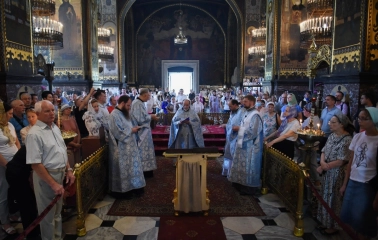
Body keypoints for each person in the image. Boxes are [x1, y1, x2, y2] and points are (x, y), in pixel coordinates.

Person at [26, 100, 75, 240]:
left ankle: (57, 237)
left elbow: (62, 150)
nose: (52, 113)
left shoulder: (54, 127)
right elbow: (35, 163)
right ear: (37, 114)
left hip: (60, 173)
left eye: (53, 110)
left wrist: (69, 170)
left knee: (57, 213)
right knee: (47, 216)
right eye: (47, 111)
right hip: (46, 177)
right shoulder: (34, 134)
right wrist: (53, 184)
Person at [340, 107, 378, 240]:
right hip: (353, 181)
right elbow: (351, 161)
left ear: (374, 120)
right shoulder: (358, 136)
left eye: (364, 119)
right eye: (359, 118)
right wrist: (345, 184)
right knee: (349, 217)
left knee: (362, 221)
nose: (360, 121)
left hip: (367, 185)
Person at [316, 113, 353, 235]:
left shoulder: (348, 139)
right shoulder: (332, 136)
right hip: (327, 170)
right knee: (325, 196)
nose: (330, 124)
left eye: (333, 122)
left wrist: (325, 166)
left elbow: (342, 160)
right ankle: (324, 221)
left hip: (336, 173)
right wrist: (322, 162)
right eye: (330, 122)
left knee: (334, 199)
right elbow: (324, 150)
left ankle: (333, 226)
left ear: (341, 124)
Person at [108, 95, 145, 199]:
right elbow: (117, 132)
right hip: (121, 147)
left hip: (130, 145)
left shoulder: (124, 113)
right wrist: (131, 130)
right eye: (128, 105)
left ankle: (134, 187)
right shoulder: (114, 115)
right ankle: (124, 191)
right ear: (123, 103)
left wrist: (134, 128)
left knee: (132, 168)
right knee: (124, 169)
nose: (129, 107)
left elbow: (128, 125)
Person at [228, 95, 263, 195]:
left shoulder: (255, 115)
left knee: (248, 166)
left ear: (252, 102)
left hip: (251, 146)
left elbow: (253, 132)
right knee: (241, 165)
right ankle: (239, 183)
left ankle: (248, 187)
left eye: (246, 101)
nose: (243, 103)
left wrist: (239, 129)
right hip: (242, 143)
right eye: (243, 101)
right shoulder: (246, 112)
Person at [6, 145, 41, 240]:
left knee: (31, 203)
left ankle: (35, 230)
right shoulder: (34, 142)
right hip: (15, 173)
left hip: (23, 172)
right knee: (25, 205)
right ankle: (30, 235)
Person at [0, 102, 20, 235]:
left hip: (14, 163)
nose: (12, 117)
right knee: (3, 192)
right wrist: (6, 164)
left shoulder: (10, 125)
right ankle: (4, 221)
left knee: (13, 190)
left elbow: (16, 141)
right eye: (9, 114)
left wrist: (19, 159)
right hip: (3, 165)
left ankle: (12, 214)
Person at [131, 88, 159, 178]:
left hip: (144, 131)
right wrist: (151, 117)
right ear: (145, 95)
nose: (149, 98)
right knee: (143, 151)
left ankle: (148, 169)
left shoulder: (140, 103)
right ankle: (144, 171)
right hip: (141, 132)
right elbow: (139, 119)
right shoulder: (136, 103)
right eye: (149, 96)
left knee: (147, 150)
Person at [221, 99, 244, 177]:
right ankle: (227, 171)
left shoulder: (241, 112)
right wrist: (226, 125)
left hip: (236, 137)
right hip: (230, 137)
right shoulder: (233, 112)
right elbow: (230, 122)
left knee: (233, 155)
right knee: (228, 154)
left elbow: (239, 125)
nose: (229, 107)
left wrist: (228, 126)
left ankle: (232, 173)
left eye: (230, 106)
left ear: (235, 105)